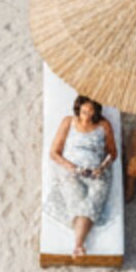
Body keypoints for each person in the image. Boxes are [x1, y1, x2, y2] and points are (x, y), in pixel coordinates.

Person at [46, 94, 117, 256]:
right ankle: (78, 245)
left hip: (97, 173)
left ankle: (78, 245)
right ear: (78, 109)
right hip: (71, 171)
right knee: (76, 200)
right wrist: (72, 167)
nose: (86, 116)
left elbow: (112, 153)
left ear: (96, 111)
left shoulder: (104, 125)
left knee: (92, 201)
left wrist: (102, 167)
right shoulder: (68, 122)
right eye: (84, 111)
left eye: (90, 112)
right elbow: (54, 153)